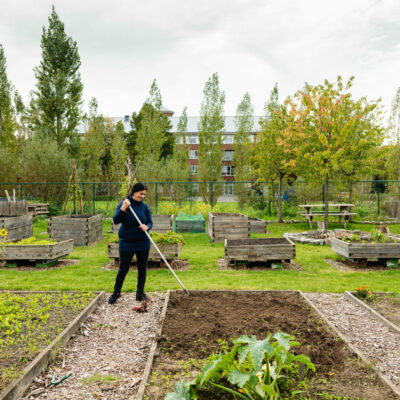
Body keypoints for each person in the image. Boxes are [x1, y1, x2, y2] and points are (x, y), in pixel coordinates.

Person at [108, 182, 153, 305]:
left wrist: (146, 227)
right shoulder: (125, 204)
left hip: (143, 242)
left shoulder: (145, 207)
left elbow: (150, 222)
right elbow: (116, 220)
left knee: (142, 269)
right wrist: (123, 208)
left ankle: (140, 293)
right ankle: (116, 293)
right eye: (141, 193)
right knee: (123, 268)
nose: (142, 196)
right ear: (134, 192)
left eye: (144, 194)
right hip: (126, 242)